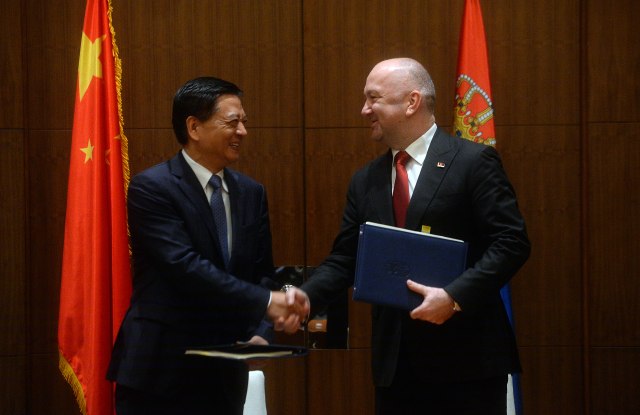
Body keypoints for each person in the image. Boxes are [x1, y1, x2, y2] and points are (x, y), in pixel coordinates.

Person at [300, 58, 530, 415]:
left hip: (467, 363)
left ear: (411, 102)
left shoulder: (473, 162)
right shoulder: (366, 180)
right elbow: (346, 258)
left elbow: (511, 242)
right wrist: (303, 297)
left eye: (373, 98)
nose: (364, 110)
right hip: (396, 369)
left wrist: (454, 297)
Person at [107, 76, 309, 415]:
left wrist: (261, 331)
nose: (243, 131)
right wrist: (265, 303)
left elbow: (261, 273)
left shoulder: (251, 193)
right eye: (232, 122)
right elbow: (185, 267)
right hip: (160, 373)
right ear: (194, 127)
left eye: (244, 121)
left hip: (225, 376)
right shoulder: (152, 188)